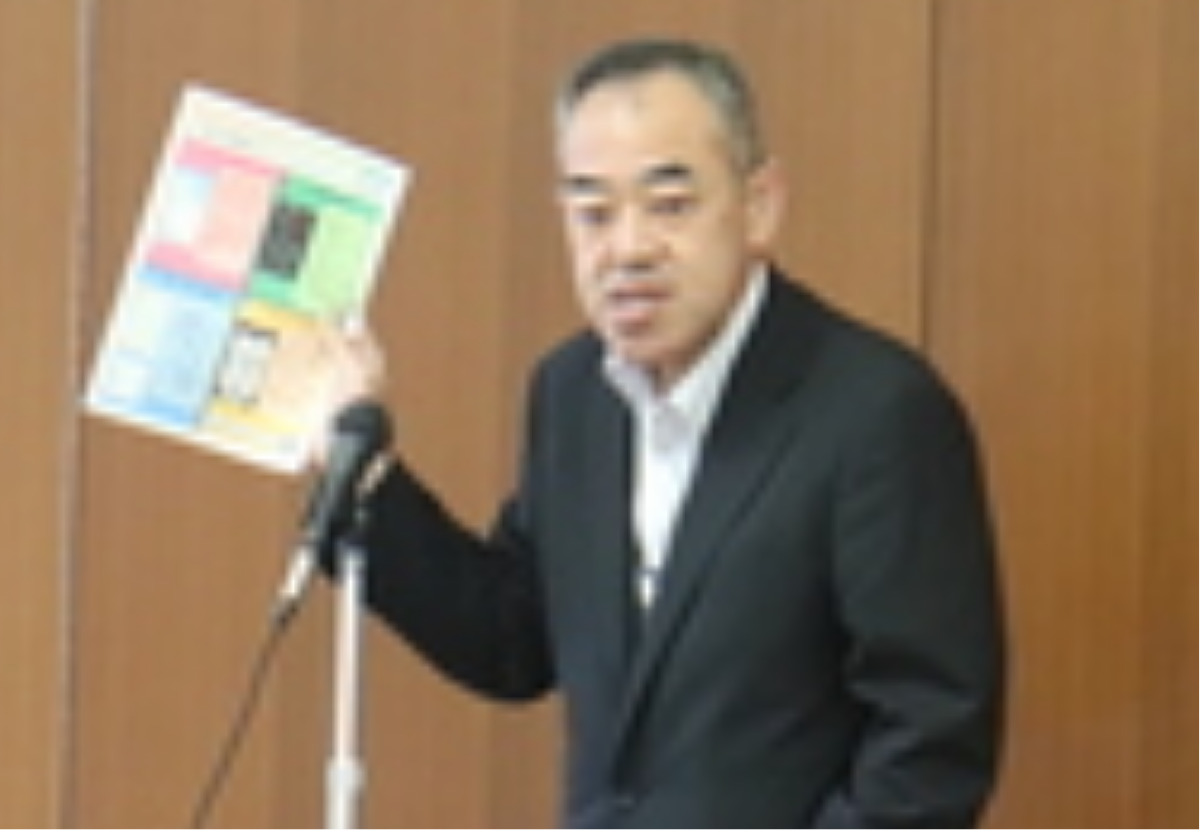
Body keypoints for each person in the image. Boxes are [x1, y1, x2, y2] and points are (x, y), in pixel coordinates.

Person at [317, 37, 1005, 828]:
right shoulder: (573, 391)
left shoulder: (876, 411)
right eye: (593, 213)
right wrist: (363, 477)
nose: (629, 248)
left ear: (759, 205)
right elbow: (515, 638)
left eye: (670, 205)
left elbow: (931, 740)